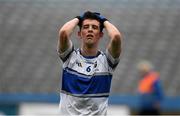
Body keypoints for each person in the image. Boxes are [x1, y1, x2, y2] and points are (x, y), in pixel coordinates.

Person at [57, 11, 122, 115]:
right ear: (79, 33)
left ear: (100, 34)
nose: (90, 29)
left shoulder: (107, 62)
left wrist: (104, 21)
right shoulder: (70, 57)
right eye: (86, 27)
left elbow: (116, 37)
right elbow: (64, 33)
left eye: (95, 27)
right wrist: (78, 18)